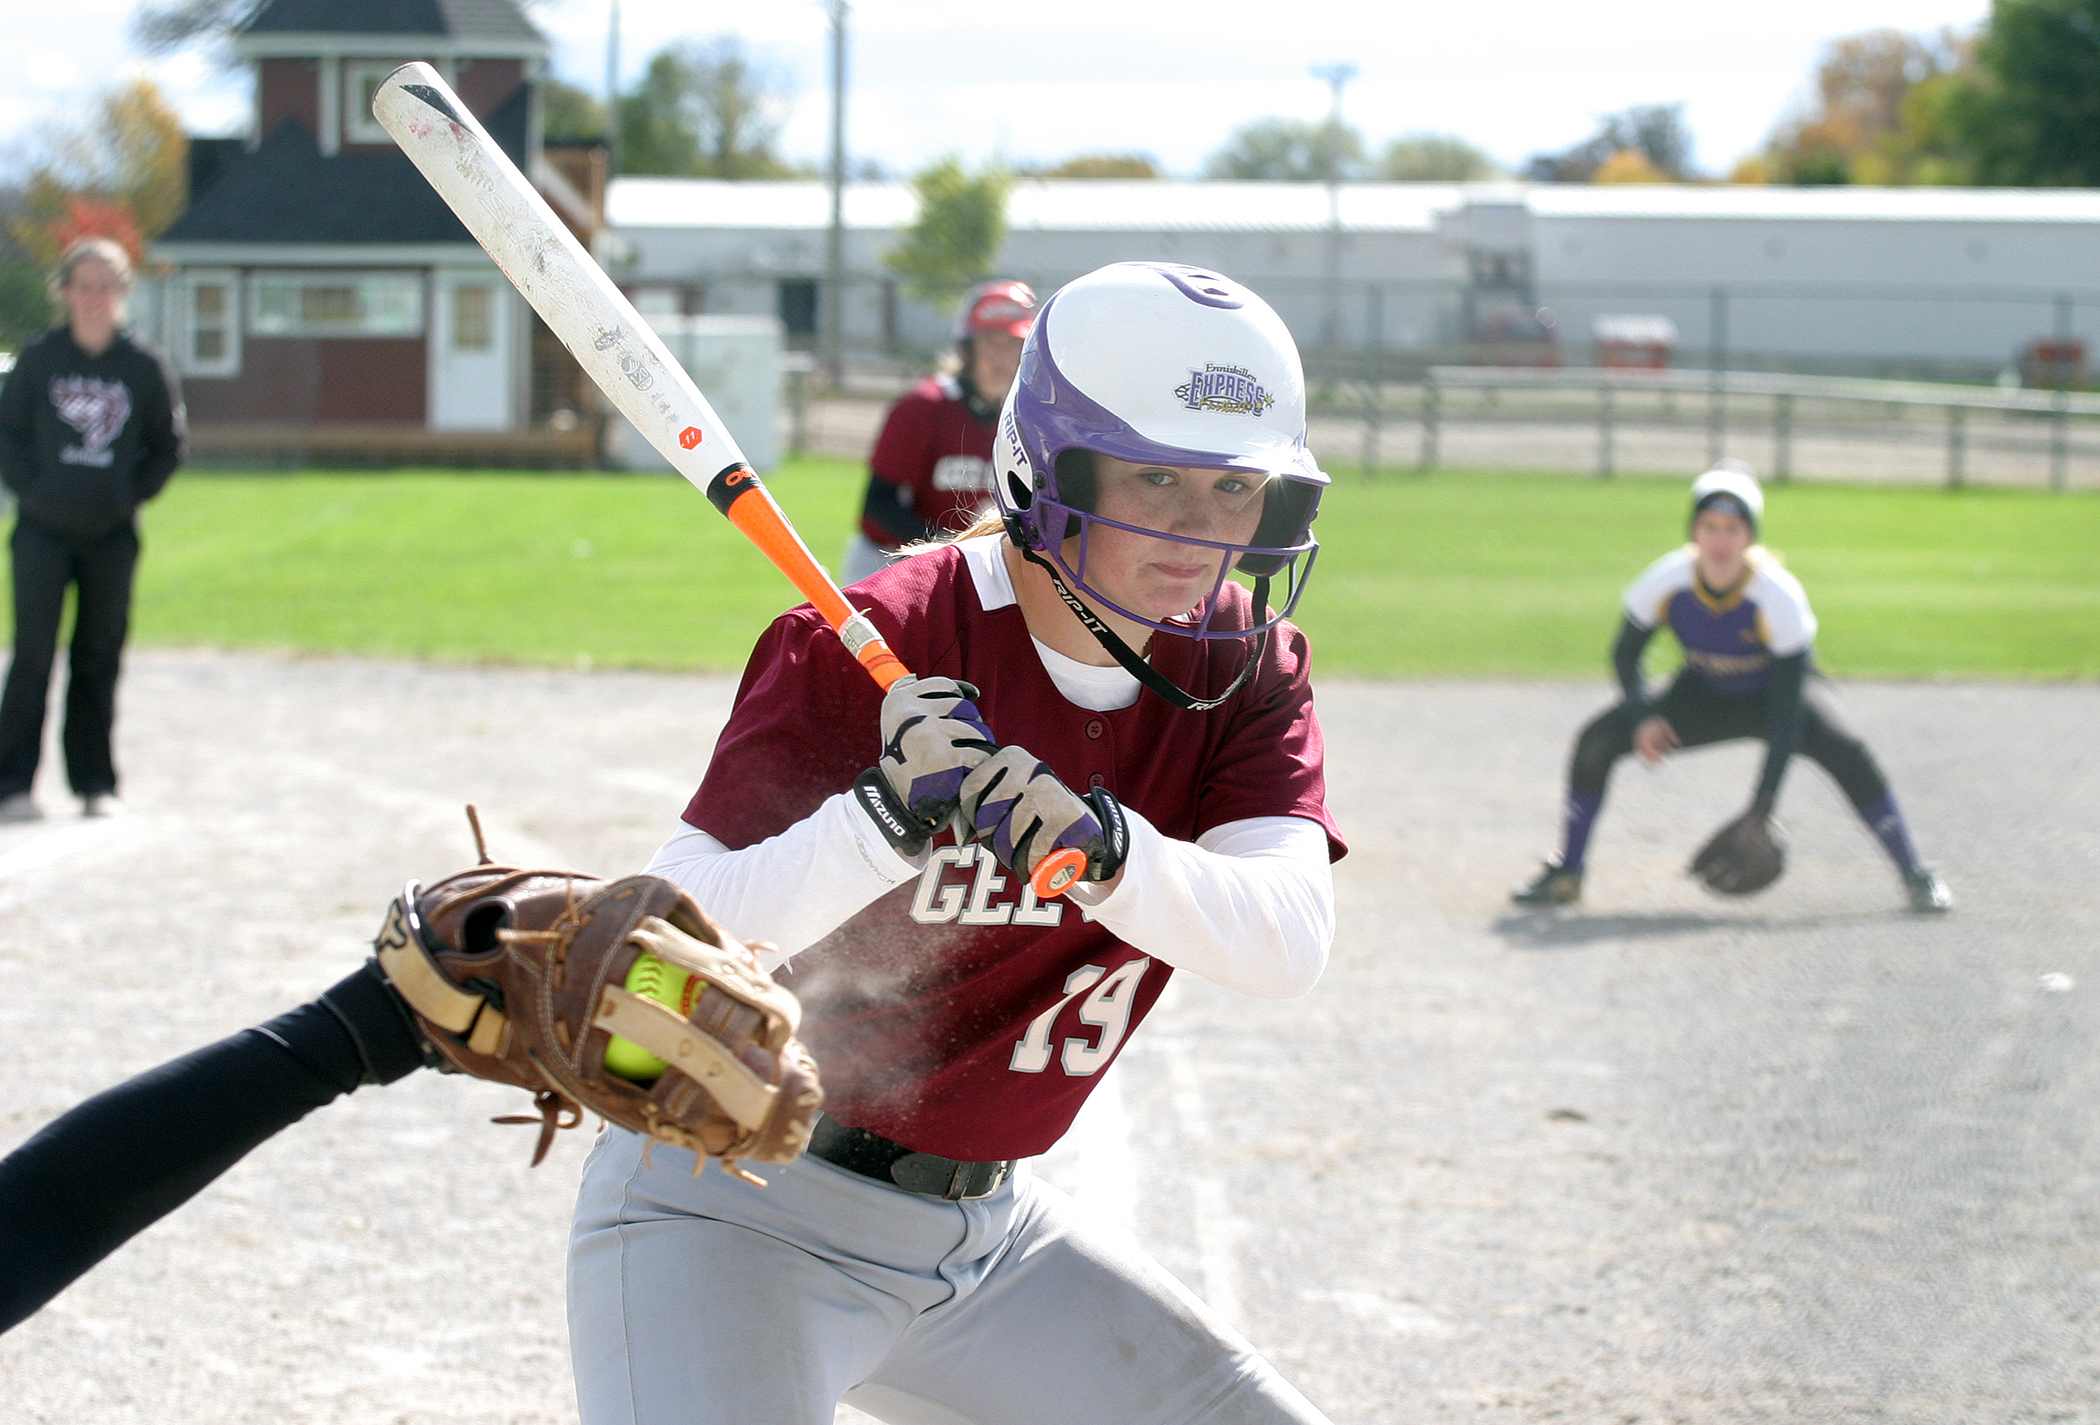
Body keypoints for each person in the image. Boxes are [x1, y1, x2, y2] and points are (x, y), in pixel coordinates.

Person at [577, 261, 1342, 1424]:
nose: (1200, 537)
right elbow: (665, 935)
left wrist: (1108, 851)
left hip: (984, 1247)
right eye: (1153, 479)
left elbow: (1286, 941)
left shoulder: (1240, 669)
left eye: (1236, 491)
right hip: (730, 1207)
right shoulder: (877, 637)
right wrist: (879, 823)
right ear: (1046, 467)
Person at [1511, 461, 1952, 914]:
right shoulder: (1667, 581)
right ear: (1694, 531)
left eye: (1734, 529)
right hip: (1704, 694)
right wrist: (1643, 716)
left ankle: (1916, 874)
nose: (1721, 540)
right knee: (1597, 740)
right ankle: (1568, 873)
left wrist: (1761, 807)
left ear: (1750, 537)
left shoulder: (1776, 595)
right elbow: (1625, 654)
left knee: (1849, 753)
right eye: (1710, 527)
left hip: (1774, 700)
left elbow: (1786, 714)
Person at [0, 236, 186, 822]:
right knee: (31, 655)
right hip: (41, 534)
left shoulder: (142, 367)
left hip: (110, 535)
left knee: (99, 655)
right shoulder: (40, 360)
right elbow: (6, 435)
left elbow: (168, 445)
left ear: (122, 292)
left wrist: (126, 495)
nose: (93, 298)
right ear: (65, 292)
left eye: (105, 286)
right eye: (83, 286)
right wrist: (34, 488)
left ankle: (94, 783)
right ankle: (12, 785)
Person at [839, 279, 1035, 587]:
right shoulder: (925, 407)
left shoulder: (1026, 415)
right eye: (991, 341)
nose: (1003, 356)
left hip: (967, 565)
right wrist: (949, 547)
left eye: (1013, 344)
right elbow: (879, 504)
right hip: (890, 559)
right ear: (966, 349)